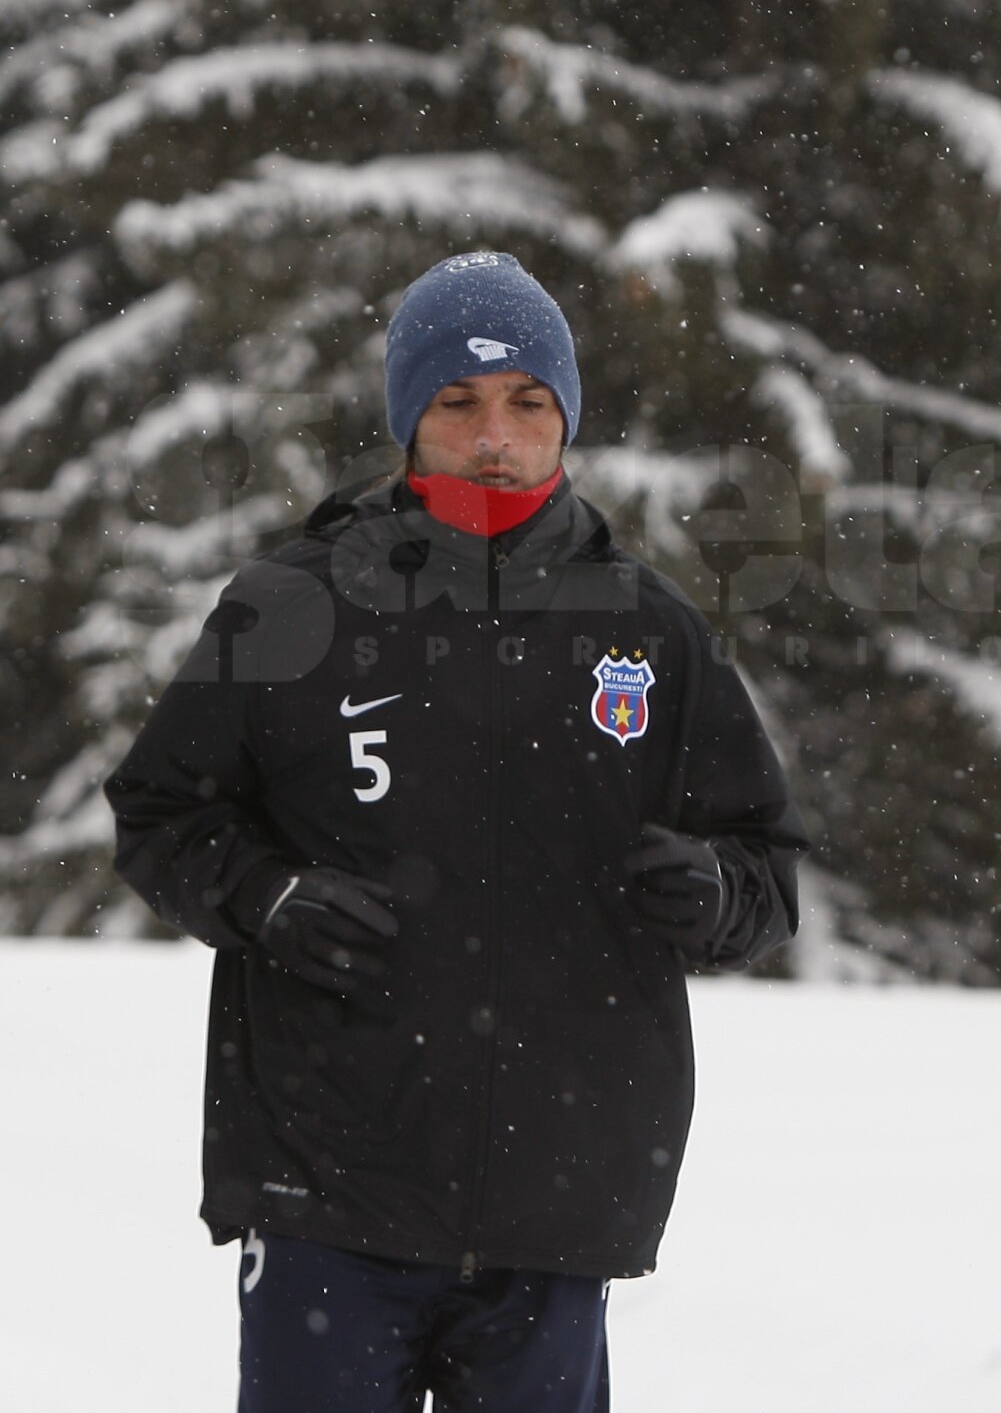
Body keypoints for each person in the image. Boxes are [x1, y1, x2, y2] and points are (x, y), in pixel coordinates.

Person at [105, 250, 807, 1413]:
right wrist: (266, 896)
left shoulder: (650, 629)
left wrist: (717, 893)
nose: (497, 434)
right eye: (460, 401)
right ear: (409, 417)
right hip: (329, 1181)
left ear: (565, 417)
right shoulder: (293, 604)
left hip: (557, 1202)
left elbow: (765, 867)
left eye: (529, 402)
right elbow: (161, 815)